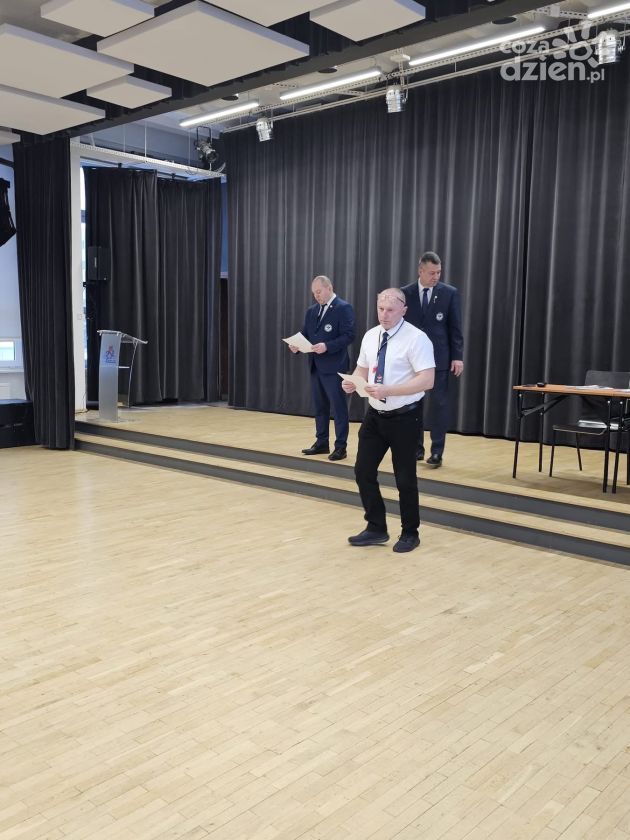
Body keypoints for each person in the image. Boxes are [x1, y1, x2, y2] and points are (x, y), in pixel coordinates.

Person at [341, 288, 435, 553]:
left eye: (391, 310)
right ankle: (376, 527)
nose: (384, 315)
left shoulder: (417, 339)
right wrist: (353, 381)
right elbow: (363, 367)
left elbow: (427, 380)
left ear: (404, 310)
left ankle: (410, 533)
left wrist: (389, 390)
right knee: (363, 471)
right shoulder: (371, 335)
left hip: (405, 417)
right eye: (380, 309)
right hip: (374, 416)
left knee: (404, 478)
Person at [401, 251, 464, 468]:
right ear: (420, 271)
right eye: (431, 273)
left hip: (439, 359)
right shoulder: (405, 293)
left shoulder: (449, 293)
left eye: (438, 272)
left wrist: (457, 356)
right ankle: (416, 448)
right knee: (412, 405)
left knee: (439, 405)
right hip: (411, 360)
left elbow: (455, 327)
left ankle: (437, 451)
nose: (436, 276)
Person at [289, 275, 355, 461]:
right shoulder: (312, 311)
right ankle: (322, 442)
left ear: (329, 288)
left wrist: (327, 346)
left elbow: (349, 335)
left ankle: (340, 446)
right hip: (316, 366)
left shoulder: (343, 308)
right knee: (320, 407)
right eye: (314, 293)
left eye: (318, 292)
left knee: (338, 408)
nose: (316, 296)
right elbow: (306, 334)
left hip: (334, 366)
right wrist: (296, 345)